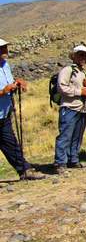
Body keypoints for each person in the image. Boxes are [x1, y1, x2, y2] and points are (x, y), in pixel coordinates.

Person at [0, 38, 44, 181]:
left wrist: (16, 83)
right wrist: (3, 91)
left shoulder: (5, 65)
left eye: (5, 47)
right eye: (2, 48)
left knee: (11, 143)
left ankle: (25, 170)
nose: (5, 51)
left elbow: (8, 84)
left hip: (4, 113)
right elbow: (4, 88)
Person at [53, 45, 86, 173]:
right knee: (65, 135)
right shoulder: (67, 70)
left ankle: (73, 159)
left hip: (82, 109)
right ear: (74, 56)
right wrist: (80, 91)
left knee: (77, 136)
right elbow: (61, 87)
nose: (83, 58)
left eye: (85, 55)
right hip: (69, 107)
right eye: (81, 55)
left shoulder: (82, 72)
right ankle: (60, 162)